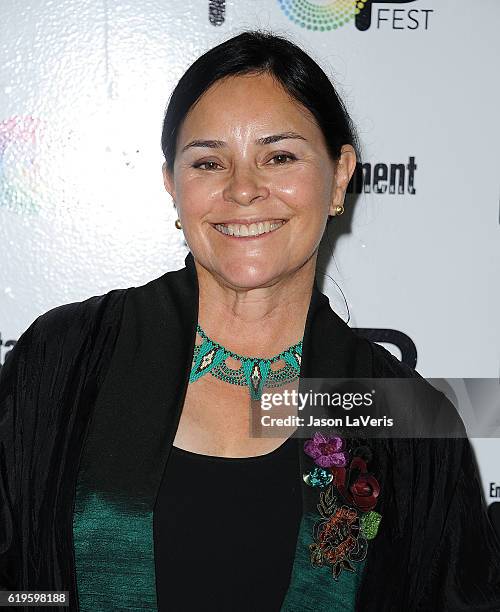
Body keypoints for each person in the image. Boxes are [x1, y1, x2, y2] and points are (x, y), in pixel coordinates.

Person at [1, 29, 499, 612]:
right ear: (172, 185)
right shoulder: (68, 358)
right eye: (210, 162)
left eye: (279, 156)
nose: (243, 190)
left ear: (339, 176)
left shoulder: (398, 410)